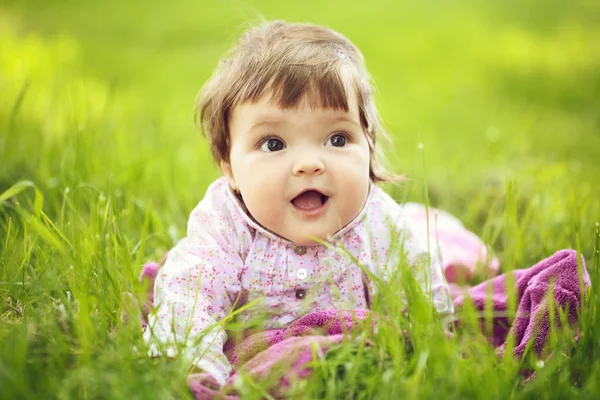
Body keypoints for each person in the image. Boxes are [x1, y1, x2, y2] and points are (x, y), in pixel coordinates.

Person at [143, 20, 457, 386]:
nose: (310, 163)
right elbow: (192, 294)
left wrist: (427, 346)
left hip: (352, 359)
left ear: (368, 146)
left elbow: (417, 289)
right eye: (274, 144)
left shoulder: (380, 223)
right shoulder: (225, 224)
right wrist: (196, 366)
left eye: (337, 139)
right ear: (229, 167)